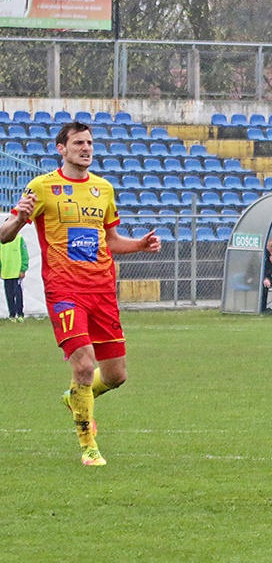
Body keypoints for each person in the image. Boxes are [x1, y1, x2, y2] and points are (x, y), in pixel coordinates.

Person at [0, 121, 162, 466]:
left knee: (116, 376)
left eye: (89, 142)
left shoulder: (103, 189)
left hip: (102, 290)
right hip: (65, 290)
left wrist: (140, 245)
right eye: (78, 143)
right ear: (62, 148)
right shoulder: (42, 187)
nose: (86, 148)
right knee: (85, 367)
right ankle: (89, 446)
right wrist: (18, 219)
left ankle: (74, 398)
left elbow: (112, 240)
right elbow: (4, 234)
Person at [0, 232, 28, 321]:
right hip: (6, 272)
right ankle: (12, 315)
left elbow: (24, 255)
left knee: (18, 294)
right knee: (9, 295)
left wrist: (23, 269)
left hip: (17, 273)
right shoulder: (1, 240)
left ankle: (20, 314)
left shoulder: (19, 239)